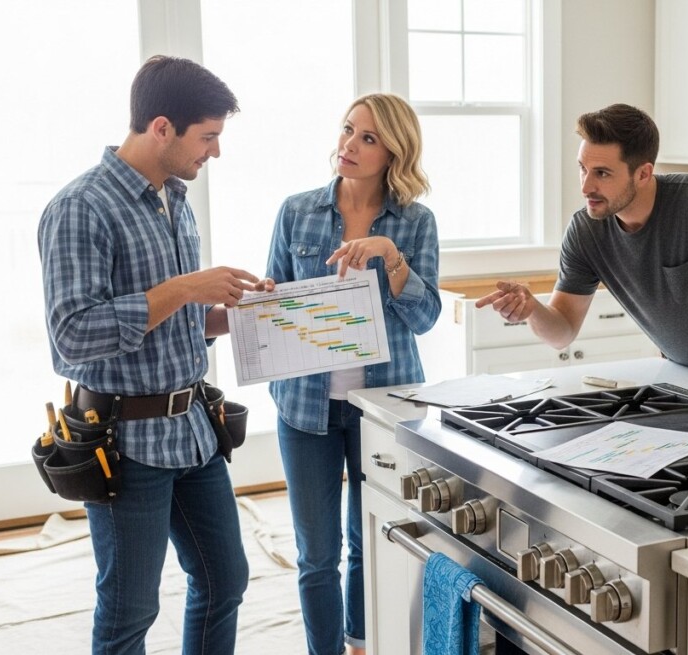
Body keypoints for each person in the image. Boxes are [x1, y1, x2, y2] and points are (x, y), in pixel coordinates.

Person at [38, 55, 271, 654]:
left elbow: (177, 324)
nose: (215, 153)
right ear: (161, 127)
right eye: (208, 137)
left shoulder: (175, 197)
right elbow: (72, 336)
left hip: (193, 430)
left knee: (226, 579)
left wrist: (241, 316)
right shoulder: (80, 208)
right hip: (126, 443)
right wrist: (187, 288)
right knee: (129, 611)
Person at [477, 103, 688, 405]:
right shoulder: (585, 231)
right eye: (582, 168)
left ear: (643, 173)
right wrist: (532, 308)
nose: (585, 186)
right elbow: (562, 331)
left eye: (602, 174)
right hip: (683, 377)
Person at [265, 92, 441, 655]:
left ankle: (362, 642)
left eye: (368, 137)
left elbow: (425, 316)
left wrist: (391, 259)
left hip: (383, 408)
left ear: (394, 151)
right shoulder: (297, 210)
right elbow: (271, 295)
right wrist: (268, 303)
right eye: (347, 130)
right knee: (316, 552)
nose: (350, 145)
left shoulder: (414, 223)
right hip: (303, 406)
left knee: (369, 538)